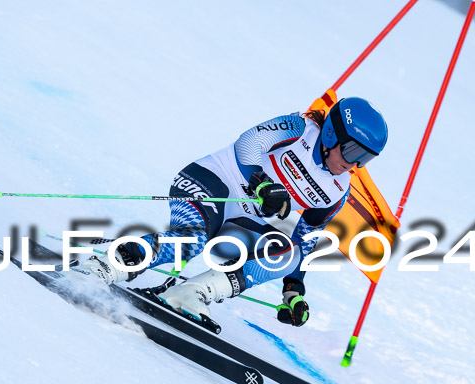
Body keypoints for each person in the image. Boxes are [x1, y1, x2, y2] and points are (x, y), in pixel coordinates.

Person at [70, 97, 388, 327]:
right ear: (332, 135)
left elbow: (306, 238)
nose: (354, 162)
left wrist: (293, 290)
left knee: (288, 254)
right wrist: (262, 184)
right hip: (210, 183)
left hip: (241, 221)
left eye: (365, 158)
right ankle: (101, 267)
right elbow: (247, 143)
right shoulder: (299, 128)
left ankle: (192, 293)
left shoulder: (338, 189)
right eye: (352, 150)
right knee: (191, 240)